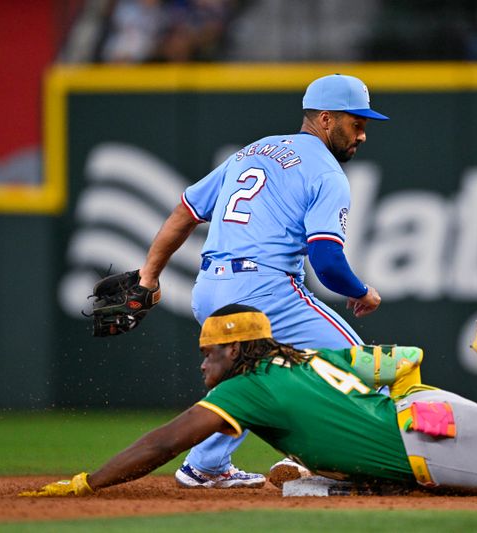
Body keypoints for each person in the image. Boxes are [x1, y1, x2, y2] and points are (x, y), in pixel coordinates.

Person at [21, 257, 477, 497]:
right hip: (428, 412)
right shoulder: (301, 360)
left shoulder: (239, 389)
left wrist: (89, 482)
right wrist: (316, 475)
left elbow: (163, 441)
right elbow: (386, 366)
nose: (202, 362)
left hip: (428, 442)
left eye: (210, 353)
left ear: (235, 353)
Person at [134, 73, 387, 488]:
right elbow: (326, 261)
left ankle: (205, 465)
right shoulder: (326, 173)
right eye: (356, 123)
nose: (362, 135)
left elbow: (185, 211)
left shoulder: (250, 152)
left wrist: (149, 277)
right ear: (326, 119)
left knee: (256, 368)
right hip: (263, 289)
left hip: (210, 288)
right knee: (362, 367)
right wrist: (362, 291)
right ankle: (370, 460)